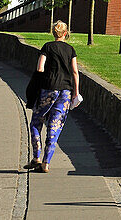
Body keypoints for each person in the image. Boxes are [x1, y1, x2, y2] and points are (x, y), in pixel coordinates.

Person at [25, 20, 81, 173]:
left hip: (48, 88)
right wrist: (76, 92)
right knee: (54, 126)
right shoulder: (71, 50)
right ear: (65, 33)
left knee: (36, 122)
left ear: (53, 32)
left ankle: (36, 157)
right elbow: (75, 72)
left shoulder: (47, 47)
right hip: (66, 91)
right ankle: (46, 163)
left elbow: (40, 67)